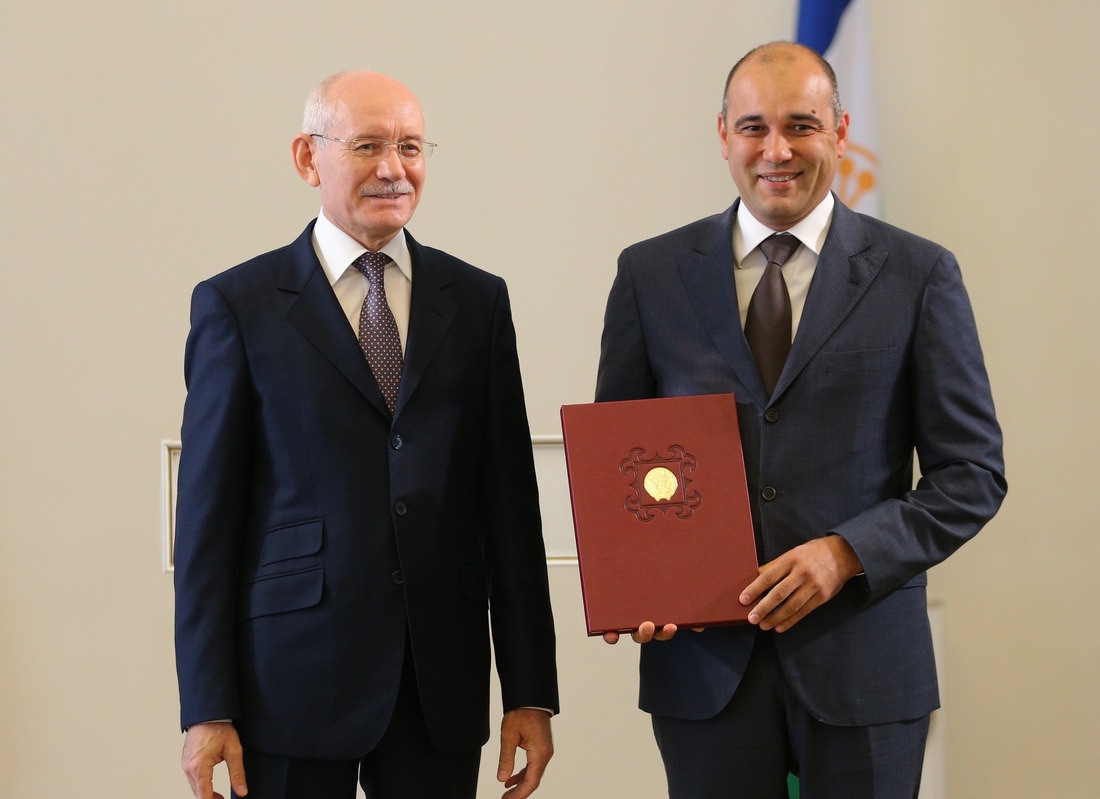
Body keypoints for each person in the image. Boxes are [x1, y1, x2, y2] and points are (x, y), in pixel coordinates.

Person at [596, 42, 1005, 798]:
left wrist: (846, 552)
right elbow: (623, 465)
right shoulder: (649, 275)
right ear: (722, 134)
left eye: (801, 125)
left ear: (841, 132)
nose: (775, 150)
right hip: (704, 669)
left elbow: (972, 474)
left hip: (866, 668)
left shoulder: (920, 273)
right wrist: (639, 585)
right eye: (753, 127)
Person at [174, 70, 558, 799]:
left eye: (411, 147)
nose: (393, 168)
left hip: (438, 685)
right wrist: (206, 705)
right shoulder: (238, 306)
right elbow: (205, 526)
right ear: (307, 157)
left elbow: (510, 510)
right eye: (369, 145)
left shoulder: (476, 302)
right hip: (288, 682)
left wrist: (530, 690)